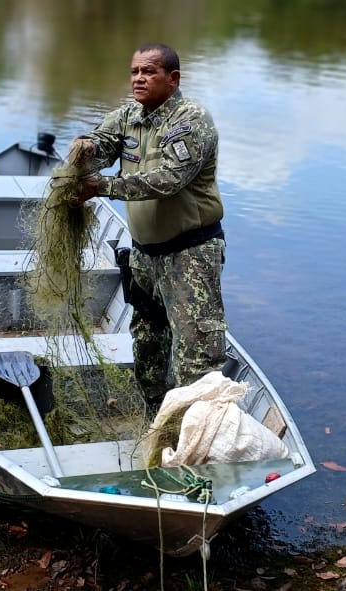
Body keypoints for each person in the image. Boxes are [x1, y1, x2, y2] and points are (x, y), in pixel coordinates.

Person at [70, 42, 228, 406]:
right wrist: (87, 148)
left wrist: (102, 187)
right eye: (134, 72)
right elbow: (103, 142)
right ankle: (156, 414)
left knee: (195, 352)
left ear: (172, 79)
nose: (138, 79)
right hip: (144, 255)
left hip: (190, 256)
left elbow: (169, 180)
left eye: (148, 72)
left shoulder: (191, 120)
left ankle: (199, 433)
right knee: (148, 340)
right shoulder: (129, 116)